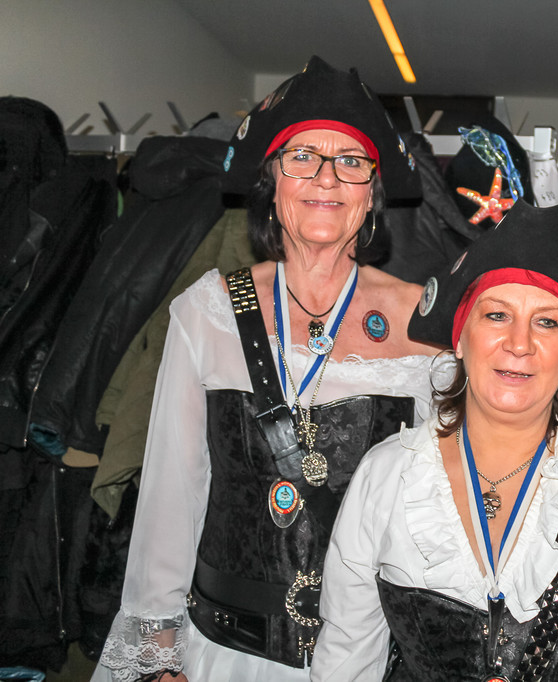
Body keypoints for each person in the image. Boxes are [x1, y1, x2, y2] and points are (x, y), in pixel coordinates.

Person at [95, 56, 436, 682]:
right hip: (224, 653)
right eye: (302, 156)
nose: (326, 177)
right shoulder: (207, 311)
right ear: (271, 182)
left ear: (372, 193)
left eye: (350, 161)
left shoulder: (425, 324)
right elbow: (173, 489)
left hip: (368, 657)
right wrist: (156, 650)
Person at [311, 201, 558, 680]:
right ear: (459, 337)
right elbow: (345, 661)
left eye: (546, 322)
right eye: (496, 315)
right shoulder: (387, 476)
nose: (519, 343)